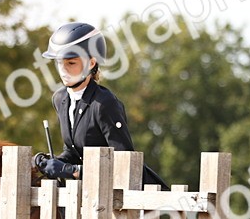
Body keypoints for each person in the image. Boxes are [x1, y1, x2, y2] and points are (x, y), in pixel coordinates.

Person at [32, 22, 167, 188]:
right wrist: (50, 162)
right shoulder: (60, 99)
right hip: (90, 191)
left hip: (129, 193)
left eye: (71, 63)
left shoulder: (104, 103)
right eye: (59, 63)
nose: (63, 70)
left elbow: (124, 162)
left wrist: (74, 171)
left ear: (91, 63)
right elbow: (73, 151)